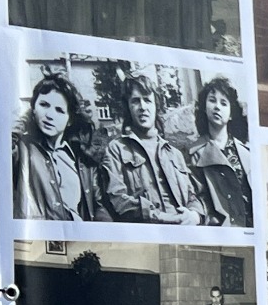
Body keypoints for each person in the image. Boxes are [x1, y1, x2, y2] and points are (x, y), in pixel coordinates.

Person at [103, 77, 204, 225]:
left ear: (156, 105)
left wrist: (194, 215)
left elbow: (192, 196)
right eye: (136, 101)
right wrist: (165, 218)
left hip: (184, 230)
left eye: (147, 100)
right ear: (128, 107)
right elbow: (117, 200)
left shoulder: (175, 154)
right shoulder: (116, 149)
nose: (142, 107)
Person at [13, 72, 91, 221]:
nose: (49, 115)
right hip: (38, 238)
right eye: (44, 105)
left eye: (59, 110)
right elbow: (4, 144)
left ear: (70, 120)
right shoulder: (21, 148)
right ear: (33, 108)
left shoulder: (78, 158)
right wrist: (26, 117)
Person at [186, 76, 252, 227]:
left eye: (223, 103)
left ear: (231, 114)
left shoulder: (246, 153)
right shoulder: (194, 154)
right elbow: (197, 198)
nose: (217, 107)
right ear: (204, 106)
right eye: (212, 100)